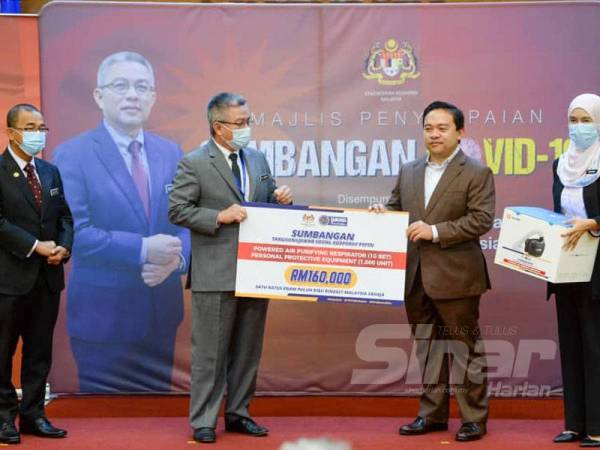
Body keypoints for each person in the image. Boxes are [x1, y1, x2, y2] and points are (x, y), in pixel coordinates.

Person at [52, 51, 190, 393]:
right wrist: (144, 249)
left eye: (142, 87)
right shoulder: (72, 154)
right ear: (99, 95)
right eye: (121, 85)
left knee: (157, 428)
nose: (132, 94)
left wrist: (177, 260)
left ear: (154, 97)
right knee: (110, 431)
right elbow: (75, 233)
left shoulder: (171, 152)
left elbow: (188, 220)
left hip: (161, 315)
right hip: (103, 323)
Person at [169, 92, 292, 444]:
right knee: (210, 352)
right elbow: (177, 210)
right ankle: (204, 420)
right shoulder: (194, 162)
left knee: (247, 349)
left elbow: (264, 208)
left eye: (248, 121)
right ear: (218, 127)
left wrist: (281, 199)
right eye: (240, 123)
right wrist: (218, 216)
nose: (246, 129)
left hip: (257, 270)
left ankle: (239, 413)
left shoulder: (256, 158)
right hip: (215, 271)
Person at [370, 101, 495, 442]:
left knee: (465, 349)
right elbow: (397, 208)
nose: (435, 134)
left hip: (457, 276)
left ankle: (473, 419)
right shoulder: (409, 170)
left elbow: (481, 220)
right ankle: (432, 415)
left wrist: (435, 232)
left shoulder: (476, 172)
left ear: (459, 133)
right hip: (414, 275)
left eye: (442, 128)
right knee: (428, 349)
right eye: (429, 128)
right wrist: (383, 212)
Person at [0, 104, 73, 443]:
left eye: (42, 127)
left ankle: (33, 415)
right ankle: (3, 418)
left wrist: (62, 247)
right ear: (12, 132)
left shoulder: (49, 171)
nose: (38, 134)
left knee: (39, 351)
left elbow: (65, 218)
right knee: (3, 352)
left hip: (47, 278)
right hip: (9, 279)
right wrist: (34, 245)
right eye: (30, 128)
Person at [548, 93, 600, 448]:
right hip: (567, 269)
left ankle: (598, 426)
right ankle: (575, 424)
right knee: (571, 345)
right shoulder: (560, 164)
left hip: (599, 270)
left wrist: (593, 223)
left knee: (596, 347)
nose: (579, 127)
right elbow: (558, 212)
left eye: (587, 120)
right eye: (574, 120)